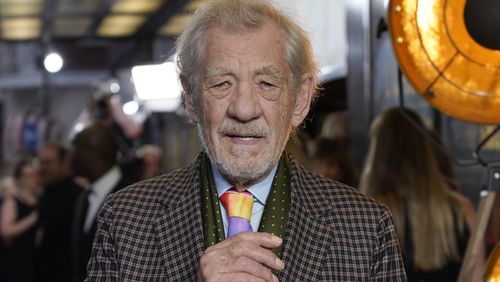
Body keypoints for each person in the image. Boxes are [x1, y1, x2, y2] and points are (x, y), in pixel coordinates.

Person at [86, 1, 406, 281]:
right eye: (221, 84)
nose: (244, 109)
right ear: (192, 97)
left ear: (300, 99)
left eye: (267, 84)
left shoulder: (366, 227)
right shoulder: (125, 219)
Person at [360, 107, 477, 282]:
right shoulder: (461, 209)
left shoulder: (365, 214)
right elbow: (477, 275)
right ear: (425, 152)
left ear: (377, 153)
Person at [70, 122, 133, 282]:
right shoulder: (82, 197)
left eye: (76, 149)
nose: (71, 157)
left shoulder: (131, 196)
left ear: (95, 152)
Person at [36, 143, 83, 282]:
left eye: (49, 163)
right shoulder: (45, 192)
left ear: (64, 163)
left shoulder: (78, 196)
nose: (43, 168)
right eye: (41, 163)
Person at [0, 157, 41, 282]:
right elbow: (5, 230)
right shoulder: (13, 201)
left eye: (36, 174)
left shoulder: (41, 199)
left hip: (36, 258)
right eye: (29, 175)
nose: (34, 179)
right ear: (19, 178)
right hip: (17, 259)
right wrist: (32, 219)